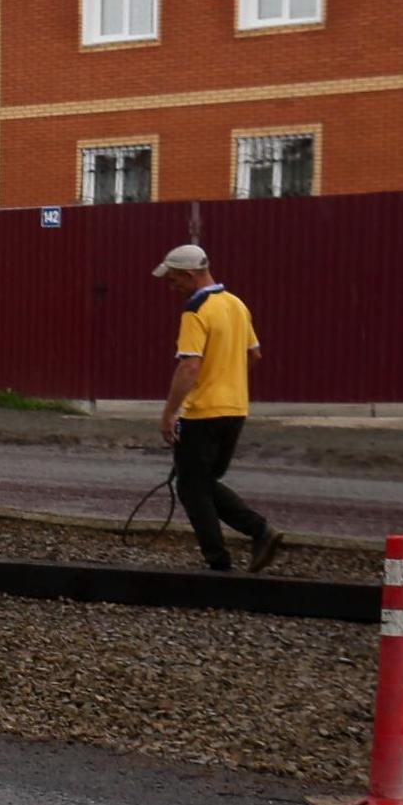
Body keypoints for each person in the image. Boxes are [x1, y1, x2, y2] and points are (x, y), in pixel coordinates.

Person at [151, 244, 282, 572]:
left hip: (203, 412)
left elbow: (189, 367)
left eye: (174, 279)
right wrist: (227, 379)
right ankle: (258, 534)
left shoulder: (196, 309)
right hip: (235, 410)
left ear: (190, 274)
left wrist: (169, 413)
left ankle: (223, 559)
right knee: (201, 482)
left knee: (192, 487)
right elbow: (254, 355)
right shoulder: (236, 305)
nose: (172, 286)